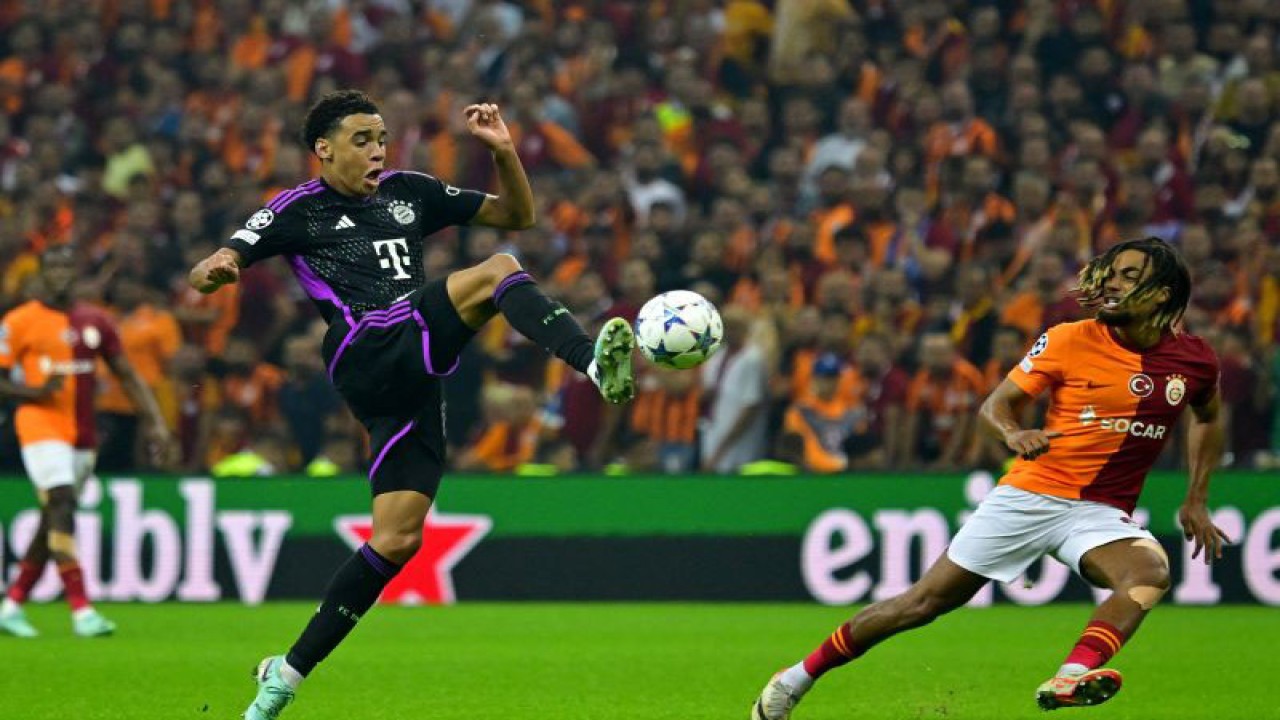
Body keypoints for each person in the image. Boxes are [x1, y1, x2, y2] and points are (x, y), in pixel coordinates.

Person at [187, 90, 635, 720]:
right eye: (362, 140)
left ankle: (281, 678)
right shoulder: (297, 209)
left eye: (381, 139)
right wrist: (219, 267)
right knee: (498, 269)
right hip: (365, 347)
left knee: (397, 539)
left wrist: (504, 151)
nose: (378, 150)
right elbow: (220, 260)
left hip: (410, 379)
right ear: (324, 149)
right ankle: (591, 362)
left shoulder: (408, 193)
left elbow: (517, 213)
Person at [751, 237, 1229, 717]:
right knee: (920, 604)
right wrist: (1013, 432)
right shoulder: (1069, 338)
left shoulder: (1194, 360)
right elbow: (994, 406)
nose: (1112, 284)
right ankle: (794, 679)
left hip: (1099, 512)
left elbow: (1208, 418)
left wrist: (1196, 497)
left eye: (1129, 276)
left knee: (1149, 573)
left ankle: (1070, 677)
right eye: (1112, 273)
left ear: (1162, 293)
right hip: (1030, 495)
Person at [0, 246, 174, 638]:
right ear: (41, 274)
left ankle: (12, 604)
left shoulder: (96, 321)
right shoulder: (19, 321)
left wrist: (156, 423)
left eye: (67, 266)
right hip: (39, 424)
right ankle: (82, 610)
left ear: (76, 272)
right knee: (61, 501)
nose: (60, 273)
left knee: (53, 517)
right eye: (53, 266)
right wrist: (33, 393)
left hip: (82, 433)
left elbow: (127, 375)